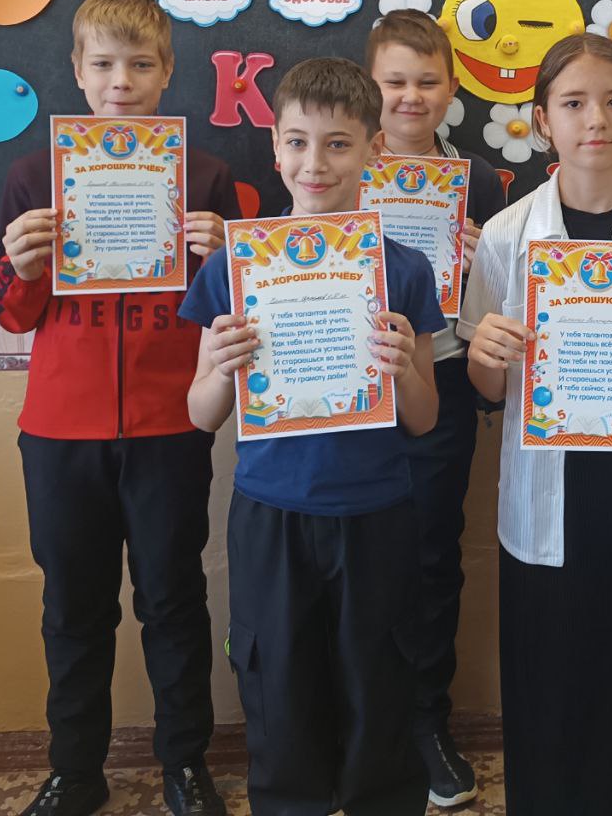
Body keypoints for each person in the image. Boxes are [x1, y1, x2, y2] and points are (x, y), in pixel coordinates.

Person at [0, 0, 238, 816]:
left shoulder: (206, 176)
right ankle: (75, 770)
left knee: (173, 600)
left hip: (170, 426)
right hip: (61, 429)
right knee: (73, 608)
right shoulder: (32, 176)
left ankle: (185, 764)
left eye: (139, 65)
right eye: (103, 64)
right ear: (77, 71)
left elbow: (238, 309)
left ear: (167, 73)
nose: (120, 82)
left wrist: (223, 257)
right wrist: (23, 266)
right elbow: (9, 314)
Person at [181, 57, 445, 816]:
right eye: (297, 142)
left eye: (337, 144)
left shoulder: (404, 269)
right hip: (273, 513)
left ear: (373, 149)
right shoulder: (236, 266)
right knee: (280, 692)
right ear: (275, 148)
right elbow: (200, 413)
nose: (314, 163)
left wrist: (403, 368)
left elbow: (425, 417)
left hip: (375, 513)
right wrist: (221, 368)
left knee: (378, 690)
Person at [459, 33, 612, 816]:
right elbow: (486, 387)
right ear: (543, 120)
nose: (594, 119)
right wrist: (488, 354)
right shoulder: (508, 235)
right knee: (551, 682)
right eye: (573, 103)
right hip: (546, 499)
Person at [365, 10, 506, 808]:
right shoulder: (338, 158)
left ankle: (427, 723)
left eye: (427, 81)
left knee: (430, 557)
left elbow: (492, 302)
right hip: (350, 388)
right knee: (352, 556)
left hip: (443, 379)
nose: (410, 97)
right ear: (370, 86)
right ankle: (360, 723)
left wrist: (482, 257)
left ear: (453, 89)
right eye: (394, 81)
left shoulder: (478, 180)